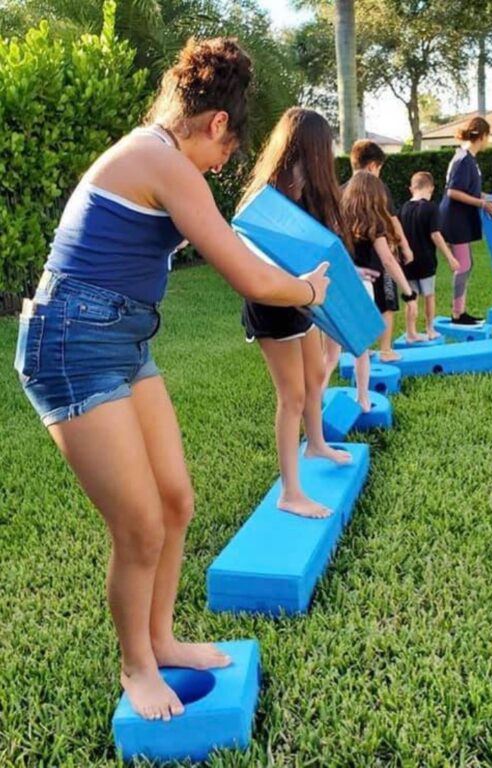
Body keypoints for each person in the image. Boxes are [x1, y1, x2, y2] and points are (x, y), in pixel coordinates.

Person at [13, 38, 330, 723]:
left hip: (123, 337)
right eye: (227, 153)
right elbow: (246, 277)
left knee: (177, 502)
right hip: (72, 341)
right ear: (218, 124)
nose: (222, 166)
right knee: (141, 526)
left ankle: (160, 639)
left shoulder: (157, 156)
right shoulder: (161, 157)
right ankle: (135, 666)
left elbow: (228, 242)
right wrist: (306, 290)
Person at [240, 108, 355, 520]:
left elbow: (318, 250)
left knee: (314, 380)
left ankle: (317, 442)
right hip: (274, 306)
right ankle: (290, 491)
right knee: (291, 397)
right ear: (309, 147)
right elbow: (253, 261)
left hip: (301, 300)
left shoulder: (303, 192)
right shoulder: (270, 196)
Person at [341, 171, 416, 401]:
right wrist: (409, 292)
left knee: (332, 352)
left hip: (340, 285)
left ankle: (318, 394)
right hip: (364, 285)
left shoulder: (340, 219)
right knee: (362, 349)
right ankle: (363, 399)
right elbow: (388, 260)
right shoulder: (373, 224)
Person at [342, 139, 413, 356]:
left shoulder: (341, 191)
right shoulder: (376, 190)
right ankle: (385, 349)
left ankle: (354, 350)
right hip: (378, 262)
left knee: (353, 309)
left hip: (351, 263)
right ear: (373, 165)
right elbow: (392, 220)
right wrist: (404, 247)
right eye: (380, 168)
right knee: (387, 305)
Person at [438, 116, 492, 325]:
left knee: (467, 264)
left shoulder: (467, 158)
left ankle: (459, 311)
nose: (488, 140)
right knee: (463, 265)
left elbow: (466, 188)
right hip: (455, 219)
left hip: (460, 217)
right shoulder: (464, 159)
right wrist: (481, 204)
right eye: (488, 136)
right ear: (482, 136)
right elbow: (453, 191)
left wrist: (483, 196)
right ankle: (457, 314)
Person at [398, 171, 459, 340]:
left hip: (407, 261)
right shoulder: (432, 208)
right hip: (426, 261)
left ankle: (411, 332)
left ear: (412, 188)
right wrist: (450, 257)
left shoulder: (403, 208)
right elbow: (435, 235)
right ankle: (430, 329)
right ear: (431, 188)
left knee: (412, 298)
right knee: (429, 296)